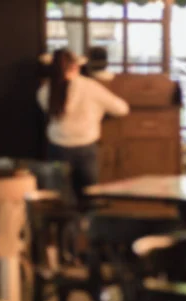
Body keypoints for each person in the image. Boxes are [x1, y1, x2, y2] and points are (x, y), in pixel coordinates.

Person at [37, 48, 129, 202]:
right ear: (75, 67)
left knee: (60, 198)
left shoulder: (45, 91)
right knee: (89, 196)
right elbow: (122, 109)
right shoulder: (90, 86)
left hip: (56, 147)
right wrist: (99, 113)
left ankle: (67, 225)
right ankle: (86, 224)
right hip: (85, 146)